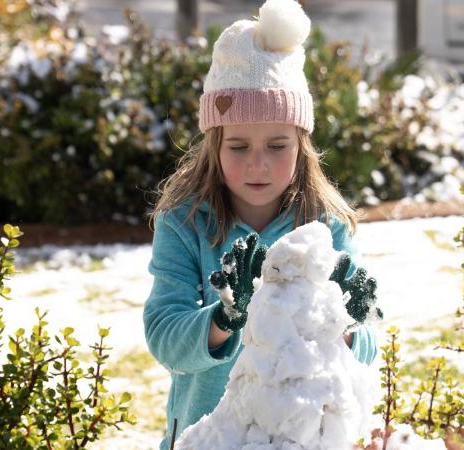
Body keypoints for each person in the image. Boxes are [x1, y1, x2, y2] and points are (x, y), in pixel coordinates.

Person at [142, 1, 378, 448]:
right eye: (238, 146)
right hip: (206, 435)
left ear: (301, 143)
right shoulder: (184, 224)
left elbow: (365, 350)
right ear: (213, 145)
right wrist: (226, 318)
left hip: (301, 437)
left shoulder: (325, 227)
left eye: (276, 144)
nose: (258, 164)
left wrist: (347, 320)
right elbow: (164, 336)